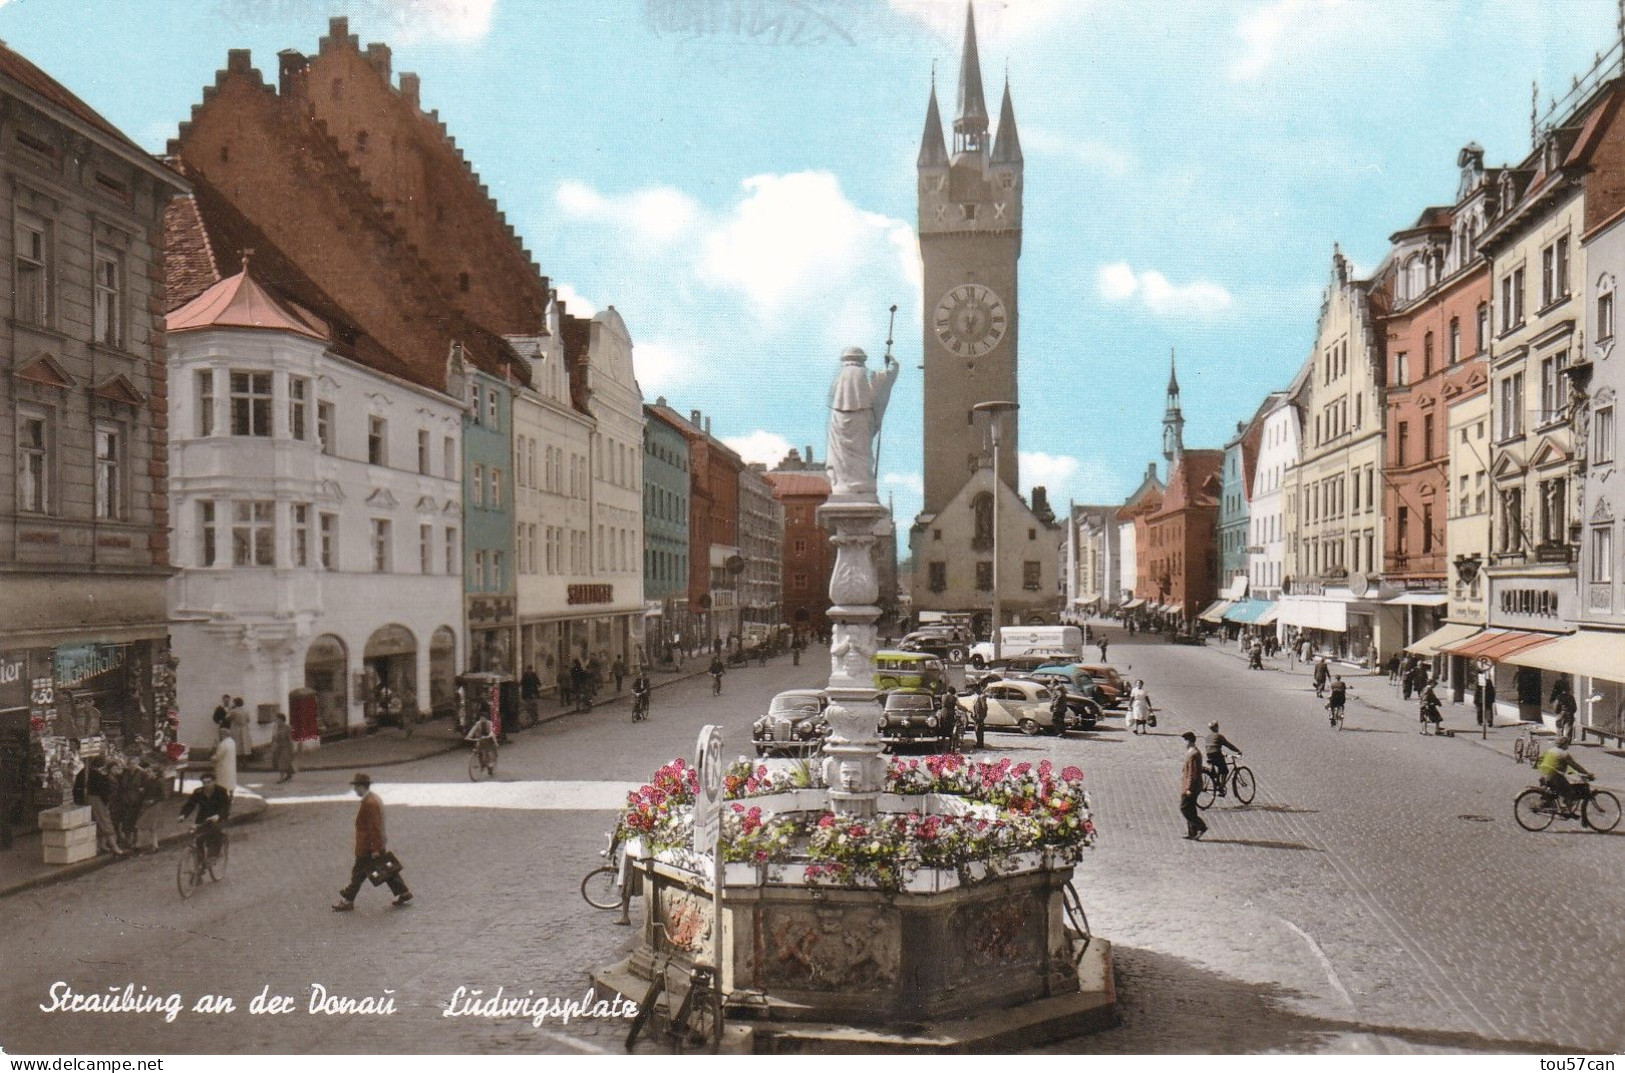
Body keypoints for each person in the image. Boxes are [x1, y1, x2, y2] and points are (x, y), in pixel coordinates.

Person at [333, 773, 412, 911]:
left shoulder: (369, 803)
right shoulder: (372, 799)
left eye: (356, 787)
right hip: (373, 845)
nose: (355, 790)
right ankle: (403, 892)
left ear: (362, 787)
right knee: (386, 870)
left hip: (367, 847)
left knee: (358, 873)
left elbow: (373, 827)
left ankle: (348, 900)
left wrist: (375, 849)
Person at [179, 769, 230, 864]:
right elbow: (190, 804)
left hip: (218, 817)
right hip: (203, 817)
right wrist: (183, 815)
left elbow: (226, 807)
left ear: (214, 782)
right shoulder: (198, 792)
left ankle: (214, 855)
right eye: (204, 783)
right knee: (198, 839)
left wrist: (218, 816)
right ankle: (200, 866)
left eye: (209, 782)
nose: (206, 785)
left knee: (215, 831)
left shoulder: (221, 791)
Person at [1179, 732, 1208, 840]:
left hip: (1192, 787)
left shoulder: (1193, 754)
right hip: (1190, 786)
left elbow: (1192, 773)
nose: (1183, 744)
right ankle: (1192, 832)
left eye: (1184, 741)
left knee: (1184, 808)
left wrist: (1189, 788)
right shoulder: (1192, 752)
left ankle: (1201, 827)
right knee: (1190, 809)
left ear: (1189, 741)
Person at [1204, 721, 1241, 796]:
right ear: (1217, 727)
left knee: (1218, 766)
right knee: (1225, 770)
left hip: (1209, 754)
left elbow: (1212, 745)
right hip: (1216, 753)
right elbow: (1228, 745)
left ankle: (1217, 782)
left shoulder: (1207, 736)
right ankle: (1221, 788)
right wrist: (1237, 750)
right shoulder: (1219, 736)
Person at [212, 726, 238, 795]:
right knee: (231, 781)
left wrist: (212, 758)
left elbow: (218, 756)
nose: (219, 736)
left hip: (223, 766)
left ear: (223, 735)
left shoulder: (223, 744)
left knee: (222, 782)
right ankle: (231, 795)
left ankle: (222, 796)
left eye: (220, 734)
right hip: (231, 765)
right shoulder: (232, 742)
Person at [271, 712, 296, 783]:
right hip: (278, 746)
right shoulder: (275, 728)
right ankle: (289, 774)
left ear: (281, 720)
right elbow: (273, 737)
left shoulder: (287, 727)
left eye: (277, 719)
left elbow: (290, 739)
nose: (276, 721)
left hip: (286, 747)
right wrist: (273, 745)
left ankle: (281, 778)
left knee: (282, 762)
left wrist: (292, 749)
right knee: (282, 762)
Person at [972, 685, 988, 750]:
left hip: (979, 716)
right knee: (977, 730)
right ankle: (979, 743)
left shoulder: (982, 696)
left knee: (979, 730)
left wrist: (983, 715)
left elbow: (984, 707)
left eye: (976, 690)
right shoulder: (978, 696)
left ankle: (980, 744)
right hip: (977, 715)